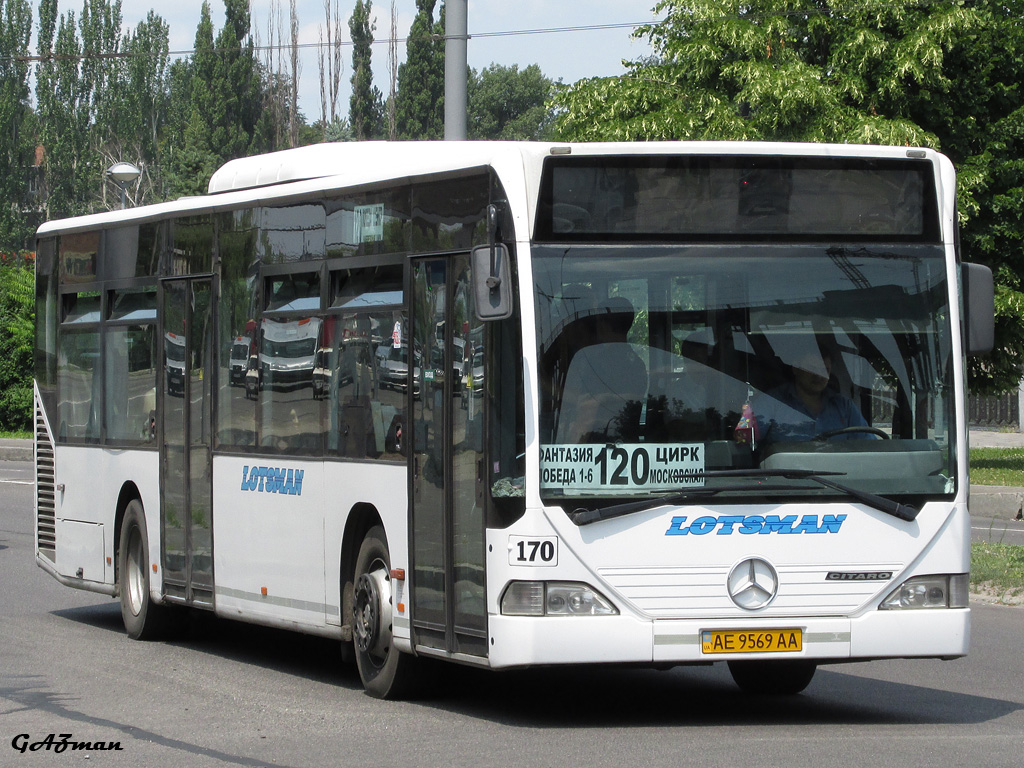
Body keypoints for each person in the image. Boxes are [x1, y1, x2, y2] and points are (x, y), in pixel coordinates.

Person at [554, 297, 648, 443]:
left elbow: (586, 403)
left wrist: (545, 383)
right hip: (628, 442)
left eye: (596, 321)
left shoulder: (599, 363)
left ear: (604, 325)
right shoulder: (637, 364)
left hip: (598, 443)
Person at [753, 346, 875, 444]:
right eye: (812, 369)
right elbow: (743, 439)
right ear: (796, 369)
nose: (819, 376)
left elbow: (870, 445)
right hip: (786, 474)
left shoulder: (845, 407)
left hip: (838, 474)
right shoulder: (769, 402)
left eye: (825, 370)